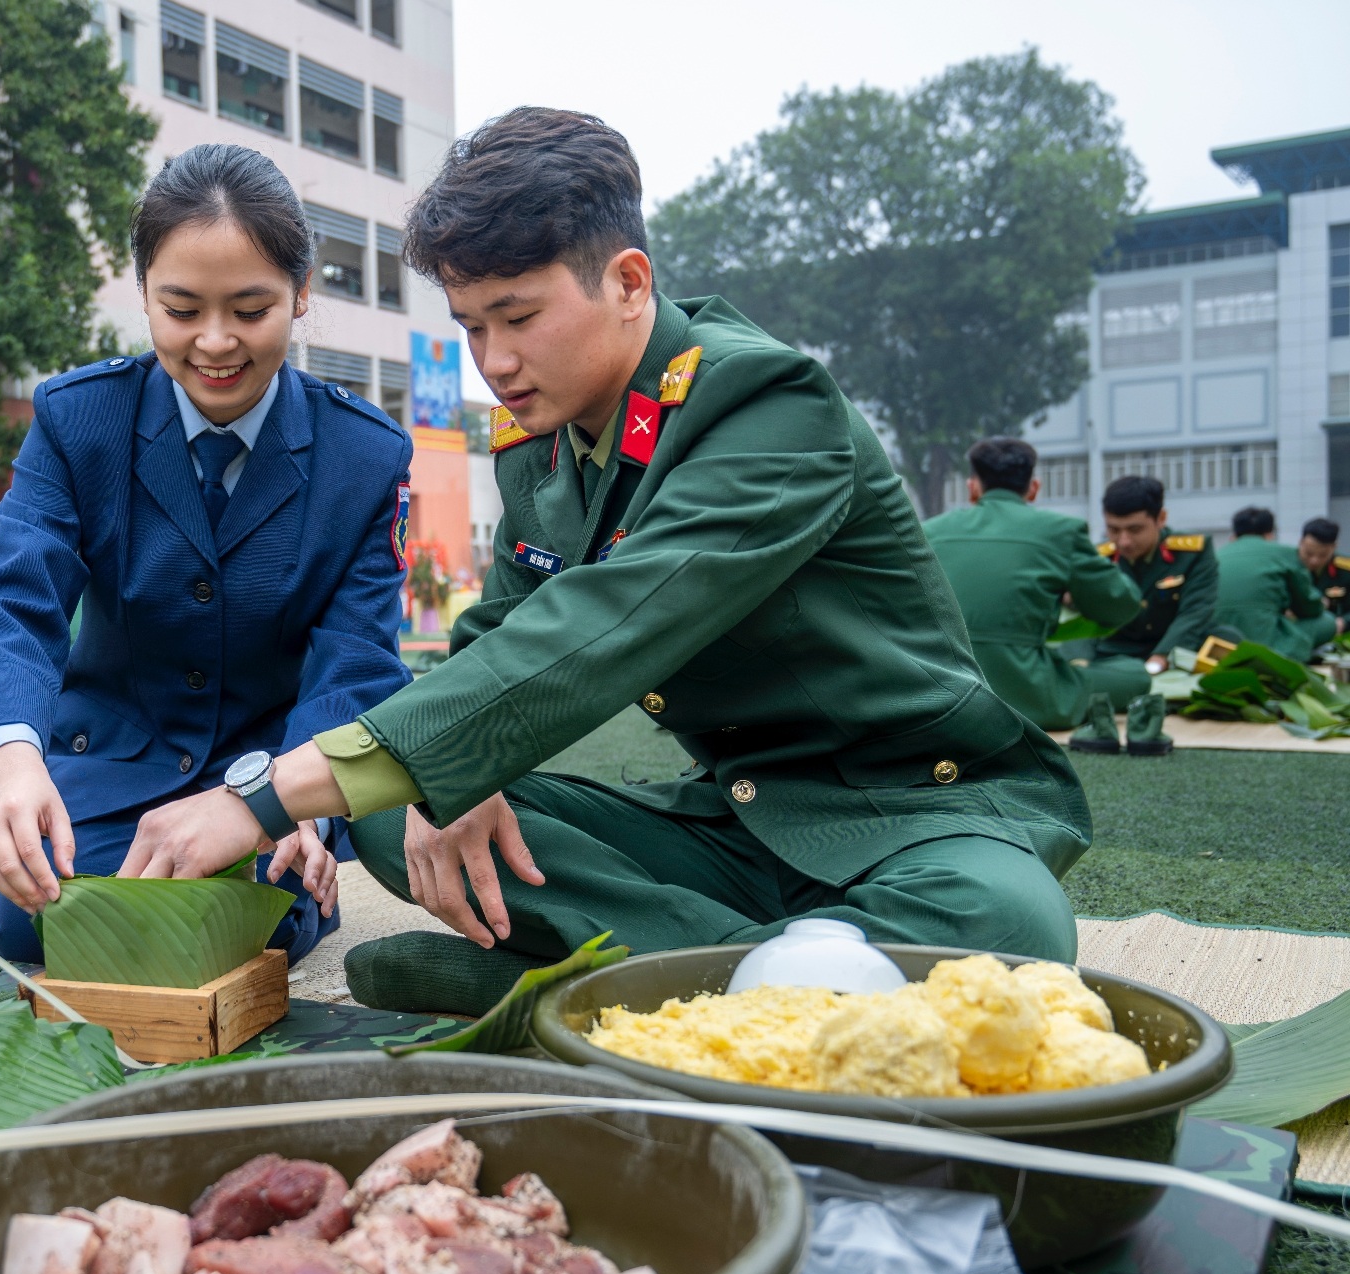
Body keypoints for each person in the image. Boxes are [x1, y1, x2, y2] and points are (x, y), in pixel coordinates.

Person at [109, 108, 1093, 1016]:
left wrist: (260, 797)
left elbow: (600, 630)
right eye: (470, 326)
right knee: (393, 806)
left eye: (518, 316)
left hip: (919, 817)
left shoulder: (764, 405)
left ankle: (567, 994)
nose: (492, 360)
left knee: (1010, 938)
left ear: (626, 283)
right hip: (735, 827)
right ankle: (750, 982)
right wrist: (456, 771)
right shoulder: (540, 447)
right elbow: (495, 637)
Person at [0, 142, 414, 965]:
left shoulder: (364, 456)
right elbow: (12, 604)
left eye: (250, 307)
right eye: (182, 308)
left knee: (247, 923)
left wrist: (300, 802)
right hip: (112, 760)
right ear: (144, 295)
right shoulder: (76, 418)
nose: (216, 342)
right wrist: (14, 769)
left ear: (303, 294)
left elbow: (357, 661)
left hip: (274, 776)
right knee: (36, 918)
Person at [923, 438, 1149, 729]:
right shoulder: (1062, 531)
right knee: (1134, 674)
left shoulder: (930, 531)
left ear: (973, 488)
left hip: (940, 690)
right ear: (1033, 488)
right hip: (1029, 693)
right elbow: (1120, 606)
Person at [1082, 475, 1218, 673]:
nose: (1123, 541)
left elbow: (1195, 612)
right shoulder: (1097, 558)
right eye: (1113, 530)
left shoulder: (1193, 553)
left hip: (1175, 646)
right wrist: (1078, 663)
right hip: (1116, 652)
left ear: (1161, 518)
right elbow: (1084, 617)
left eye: (1134, 529)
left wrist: (1160, 658)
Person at [1217, 507, 1335, 659]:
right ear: (1270, 534)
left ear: (1235, 534)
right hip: (1267, 645)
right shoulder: (1286, 554)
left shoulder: (1217, 555)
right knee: (1327, 622)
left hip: (1220, 644)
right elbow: (1309, 608)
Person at [1298, 517, 1349, 630]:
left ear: (1334, 547)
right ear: (1301, 542)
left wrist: (1345, 622)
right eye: (1309, 553)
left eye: (1323, 555)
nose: (1314, 560)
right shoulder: (1286, 566)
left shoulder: (1346, 568)